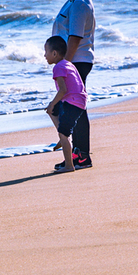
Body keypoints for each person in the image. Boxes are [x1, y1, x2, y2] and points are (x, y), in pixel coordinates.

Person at [52, 0, 95, 169]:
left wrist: (65, 66)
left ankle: (82, 156)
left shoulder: (80, 4)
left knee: (75, 108)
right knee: (75, 107)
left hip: (76, 62)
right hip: (75, 61)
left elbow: (75, 38)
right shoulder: (75, 0)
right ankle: (77, 154)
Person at [44, 36, 87, 173]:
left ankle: (69, 165)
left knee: (63, 130)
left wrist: (52, 103)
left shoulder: (58, 67)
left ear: (55, 53)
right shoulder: (68, 63)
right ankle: (62, 139)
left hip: (72, 101)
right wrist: (52, 106)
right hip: (79, 101)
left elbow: (63, 90)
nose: (44, 55)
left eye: (46, 52)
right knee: (51, 110)